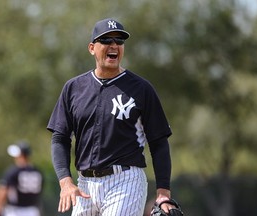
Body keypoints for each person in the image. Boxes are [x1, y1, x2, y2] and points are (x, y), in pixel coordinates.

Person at [47, 18, 174, 216]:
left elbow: (158, 141)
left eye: (119, 41)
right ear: (92, 48)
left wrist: (163, 192)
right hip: (84, 185)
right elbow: (60, 138)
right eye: (106, 40)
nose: (114, 45)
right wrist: (65, 182)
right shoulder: (74, 88)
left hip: (125, 181)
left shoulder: (141, 89)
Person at [0, 141, 44, 216]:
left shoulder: (14, 171)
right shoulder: (38, 172)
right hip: (32, 211)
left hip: (15, 211)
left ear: (20, 155)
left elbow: (2, 190)